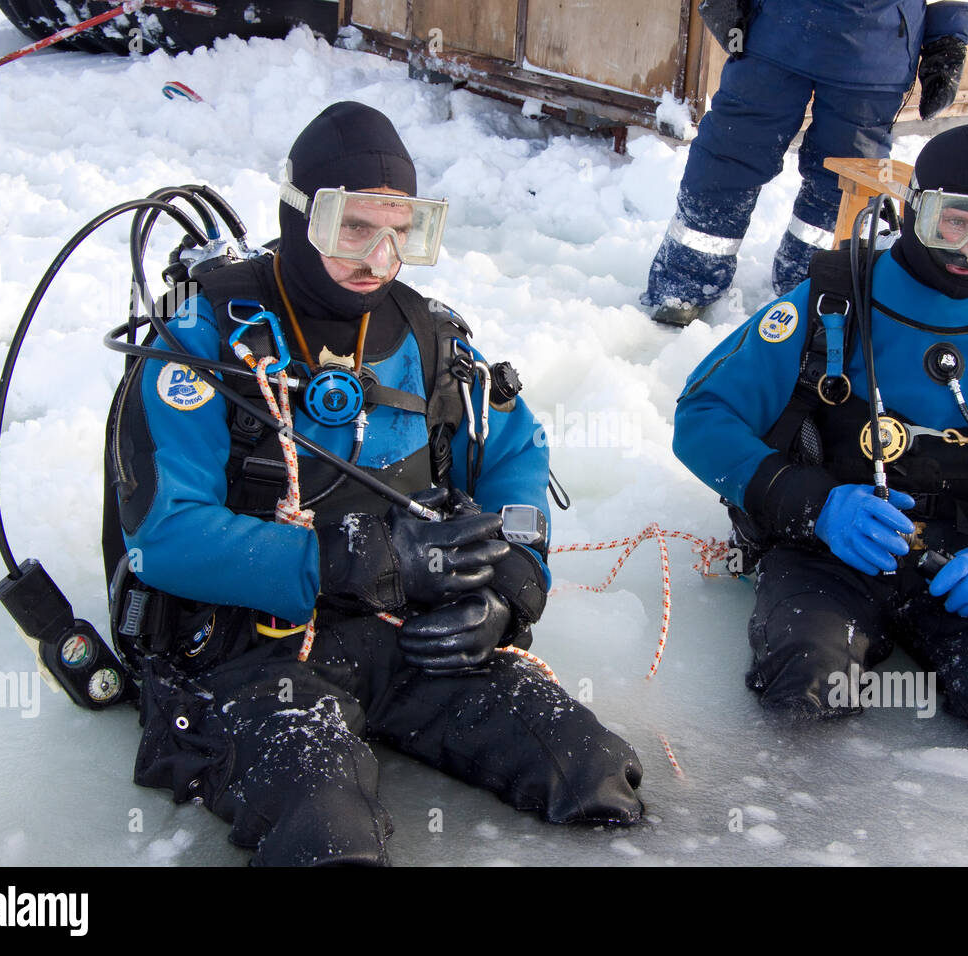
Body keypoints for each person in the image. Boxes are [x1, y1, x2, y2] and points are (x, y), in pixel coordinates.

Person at [104, 102, 643, 866]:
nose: (381, 256)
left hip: (407, 637)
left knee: (595, 774)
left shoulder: (432, 339)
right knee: (331, 837)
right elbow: (163, 537)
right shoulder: (201, 349)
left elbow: (516, 459)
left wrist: (510, 587)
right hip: (253, 654)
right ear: (300, 217)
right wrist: (349, 558)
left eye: (403, 231)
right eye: (354, 228)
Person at [671, 123, 968, 727]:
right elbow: (702, 416)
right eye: (956, 222)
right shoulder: (831, 303)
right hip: (831, 554)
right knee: (802, 685)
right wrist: (812, 505)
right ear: (912, 210)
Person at [645, 0, 968, 326]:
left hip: (874, 52)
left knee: (844, 183)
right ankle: (685, 282)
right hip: (779, 33)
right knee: (730, 155)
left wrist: (948, 41)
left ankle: (813, 287)